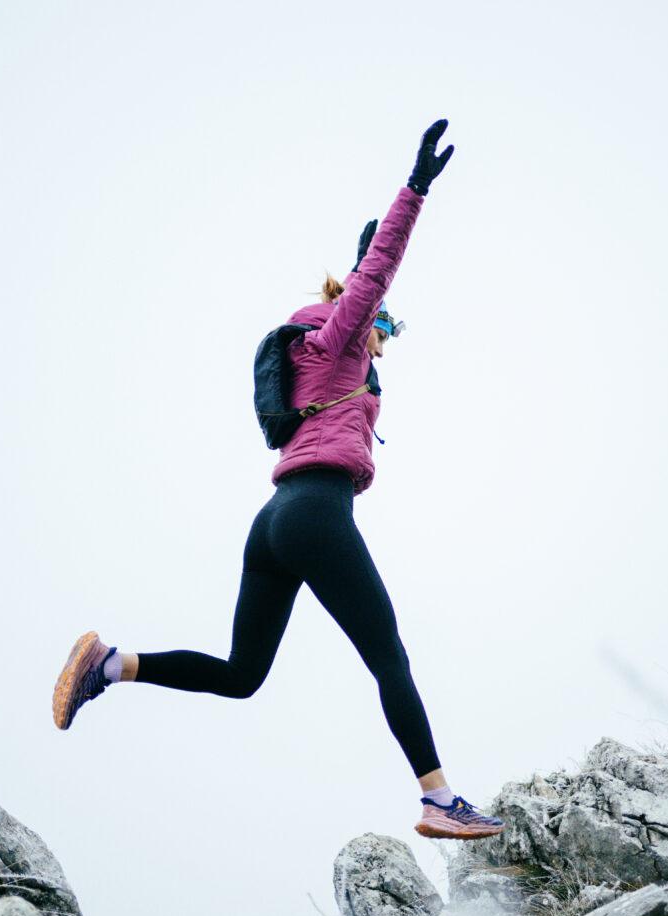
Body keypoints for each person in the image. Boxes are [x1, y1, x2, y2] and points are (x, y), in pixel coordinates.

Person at [52, 119, 503, 841]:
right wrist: (414, 190)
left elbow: (368, 299)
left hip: (275, 524)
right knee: (389, 655)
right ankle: (440, 800)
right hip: (317, 513)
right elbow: (379, 273)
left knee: (242, 674)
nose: (387, 333)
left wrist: (365, 287)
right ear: (358, 311)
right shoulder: (339, 334)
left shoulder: (313, 355)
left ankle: (108, 665)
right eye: (385, 322)